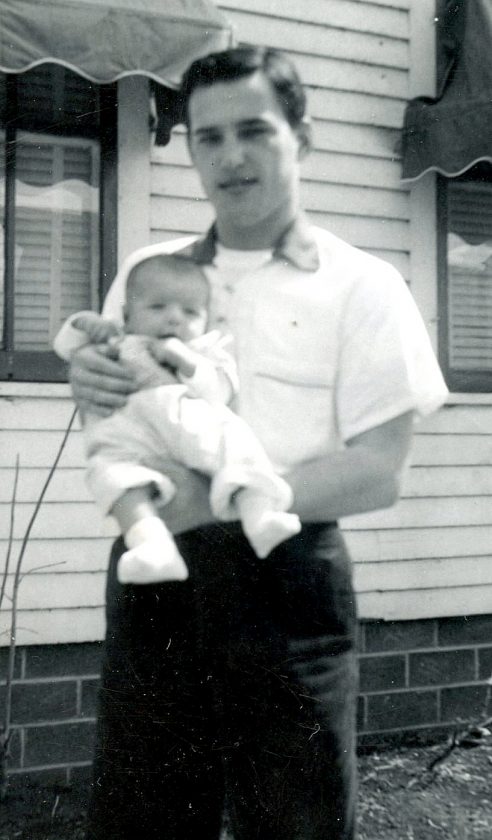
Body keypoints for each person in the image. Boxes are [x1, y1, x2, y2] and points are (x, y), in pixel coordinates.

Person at [70, 46, 449, 840]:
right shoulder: (148, 273)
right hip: (160, 582)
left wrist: (212, 500)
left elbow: (379, 473)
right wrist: (93, 386)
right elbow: (120, 413)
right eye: (209, 137)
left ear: (301, 138)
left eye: (255, 131)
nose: (231, 157)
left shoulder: (364, 285)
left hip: (288, 582)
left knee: (296, 823)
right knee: (142, 821)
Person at [54, 254, 300, 584]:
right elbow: (66, 346)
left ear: (206, 320)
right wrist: (82, 323)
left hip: (188, 424)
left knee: (235, 440)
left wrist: (187, 362)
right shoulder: (117, 338)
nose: (174, 319)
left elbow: (218, 392)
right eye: (158, 307)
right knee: (113, 477)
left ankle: (259, 514)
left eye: (190, 312)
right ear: (127, 315)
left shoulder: (204, 350)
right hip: (129, 434)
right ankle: (152, 547)